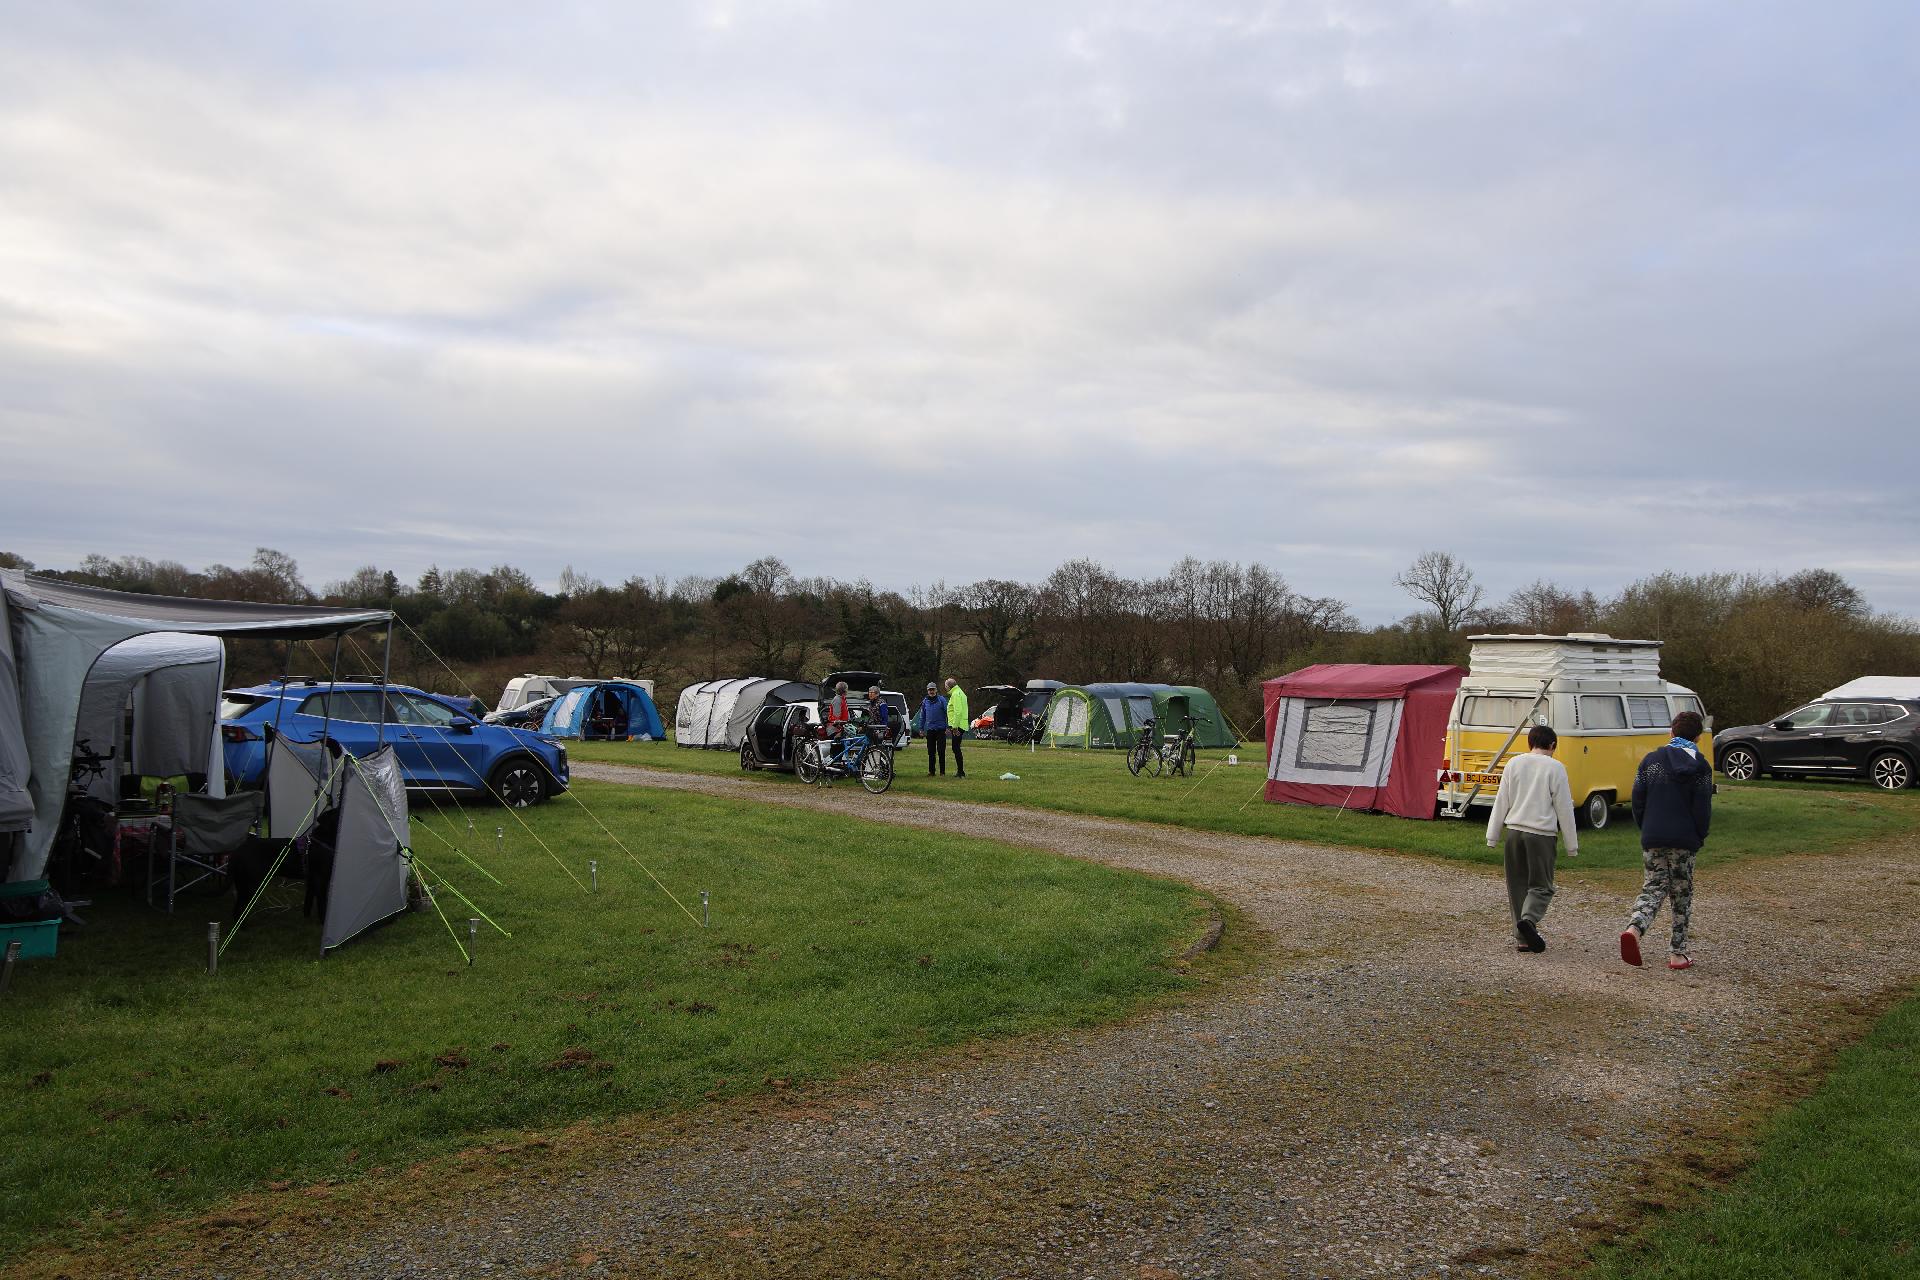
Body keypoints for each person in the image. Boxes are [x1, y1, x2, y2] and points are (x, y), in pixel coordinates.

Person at [1621, 711, 1713, 970]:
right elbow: (1702, 808)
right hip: (1684, 838)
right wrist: (1699, 835)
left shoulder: (1650, 761)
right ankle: (1677, 953)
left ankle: (1634, 929)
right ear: (1697, 737)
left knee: (1653, 887)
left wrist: (1646, 827)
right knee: (1681, 893)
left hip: (1653, 835)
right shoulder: (1701, 767)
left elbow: (1637, 798)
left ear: (1671, 732)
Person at [1485, 724, 1579, 953]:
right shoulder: (1556, 768)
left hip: (1514, 832)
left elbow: (1502, 801)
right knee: (1542, 885)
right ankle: (1528, 921)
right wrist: (1571, 845)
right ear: (1553, 745)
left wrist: (1492, 836)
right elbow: (1564, 807)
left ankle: (1522, 938)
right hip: (1541, 835)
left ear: (1530, 743)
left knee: (1517, 885)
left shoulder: (1514, 763)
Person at [915, 681, 948, 776]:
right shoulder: (925, 702)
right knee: (931, 752)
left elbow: (947, 713)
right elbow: (922, 716)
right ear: (927, 691)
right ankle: (931, 772)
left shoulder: (942, 700)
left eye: (933, 689)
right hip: (930, 730)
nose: (931, 691)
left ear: (936, 690)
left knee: (941, 751)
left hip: (941, 730)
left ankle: (942, 772)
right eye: (929, 690)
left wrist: (948, 726)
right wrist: (921, 729)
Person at [943, 678, 970, 779]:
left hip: (958, 726)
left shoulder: (955, 694)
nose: (945, 687)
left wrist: (954, 727)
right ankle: (960, 771)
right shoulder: (960, 692)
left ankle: (961, 772)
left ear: (948, 686)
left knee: (956, 748)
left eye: (945, 685)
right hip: (960, 724)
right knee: (956, 748)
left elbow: (958, 711)